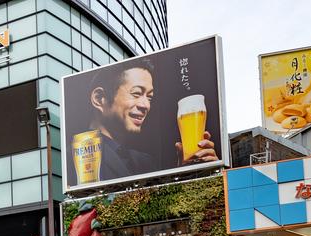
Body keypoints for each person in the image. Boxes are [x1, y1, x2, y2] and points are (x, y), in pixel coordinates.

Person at [80, 58, 217, 183]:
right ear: (99, 99)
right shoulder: (75, 159)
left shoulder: (146, 162)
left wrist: (186, 174)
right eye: (136, 93)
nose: (145, 105)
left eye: (149, 97)